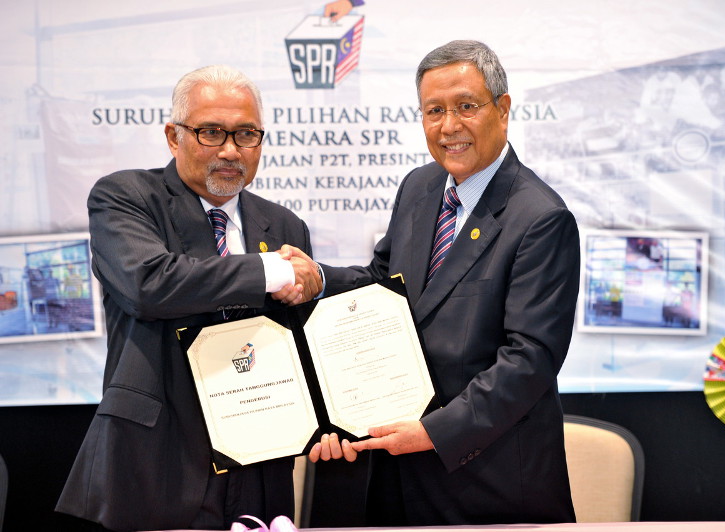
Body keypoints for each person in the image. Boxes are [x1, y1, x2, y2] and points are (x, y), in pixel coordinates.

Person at [300, 40, 580, 525]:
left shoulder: (541, 218)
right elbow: (381, 282)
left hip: (485, 479)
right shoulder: (419, 186)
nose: (449, 126)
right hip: (395, 471)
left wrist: (432, 433)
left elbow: (529, 360)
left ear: (504, 109)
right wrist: (316, 278)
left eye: (466, 107)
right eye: (434, 111)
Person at [55, 65, 321, 532]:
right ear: (173, 137)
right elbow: (149, 284)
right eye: (211, 132)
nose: (230, 150)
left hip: (260, 462)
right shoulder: (126, 197)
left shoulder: (283, 227)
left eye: (246, 134)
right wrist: (272, 270)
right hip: (155, 461)